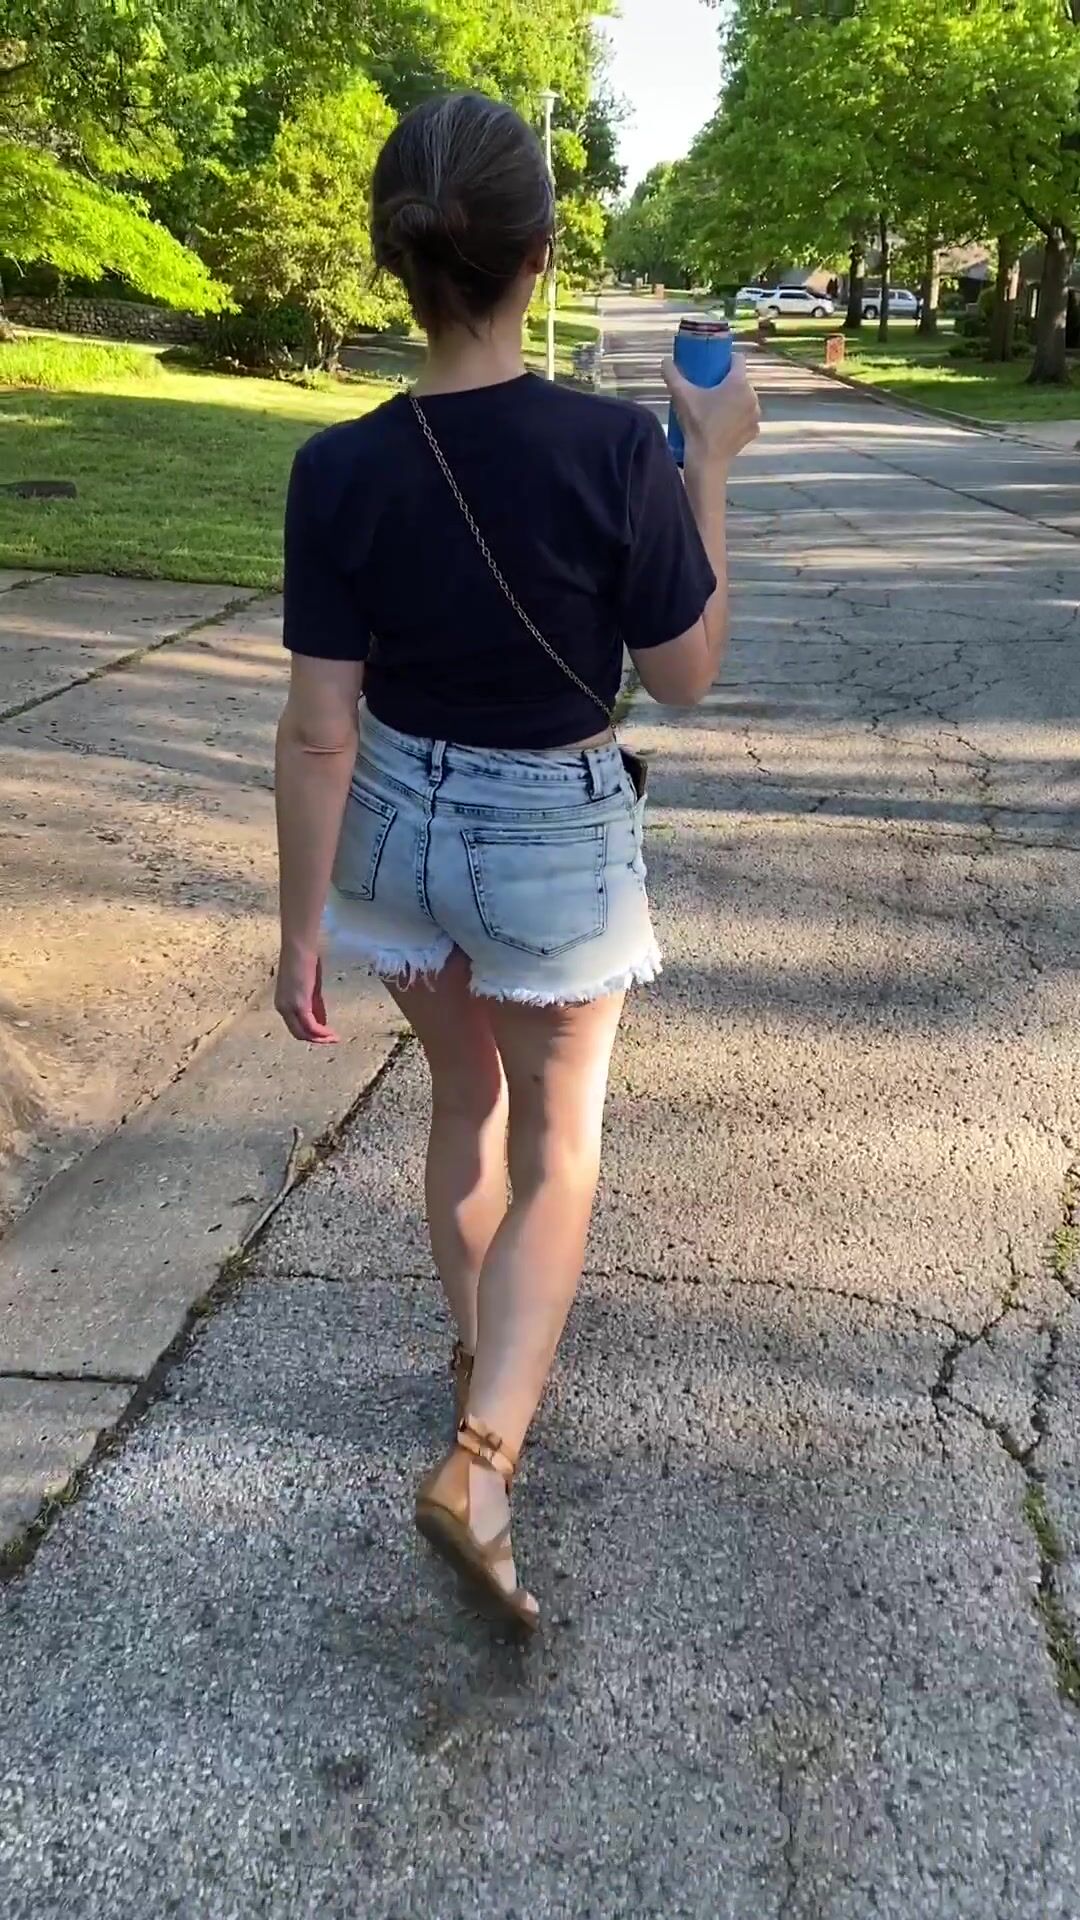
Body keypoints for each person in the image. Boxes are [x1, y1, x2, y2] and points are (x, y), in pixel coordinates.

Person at [274, 91, 759, 1632]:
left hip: (395, 830)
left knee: (462, 1102)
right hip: (550, 835)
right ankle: (481, 1463)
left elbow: (319, 729)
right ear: (542, 254)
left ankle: (481, 1358)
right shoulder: (614, 447)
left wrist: (300, 929)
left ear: (400, 262)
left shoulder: (334, 469)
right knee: (559, 1141)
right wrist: (710, 463)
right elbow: (685, 676)